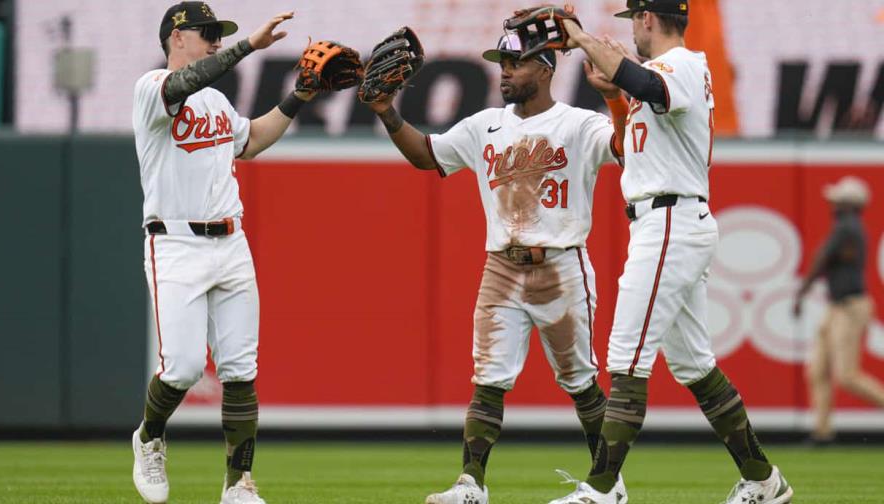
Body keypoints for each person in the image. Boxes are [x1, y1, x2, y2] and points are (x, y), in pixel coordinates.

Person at [364, 27, 630, 504]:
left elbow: (626, 147)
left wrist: (614, 100)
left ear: (545, 69)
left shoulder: (576, 123)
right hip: (501, 267)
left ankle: (609, 484)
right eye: (502, 63)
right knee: (488, 378)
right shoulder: (485, 123)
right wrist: (387, 112)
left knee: (581, 382)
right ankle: (471, 485)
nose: (505, 71)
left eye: (517, 63)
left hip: (561, 264)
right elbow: (428, 156)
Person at [558, 1, 794, 502]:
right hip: (667, 220)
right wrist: (614, 98)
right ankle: (764, 481)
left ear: (647, 18)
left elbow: (647, 85)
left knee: (626, 357)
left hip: (669, 220)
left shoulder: (681, 65)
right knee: (694, 366)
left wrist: (581, 37)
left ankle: (602, 489)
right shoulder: (664, 73)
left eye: (634, 21)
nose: (633, 34)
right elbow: (636, 127)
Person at [130, 3, 322, 503]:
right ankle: (150, 436)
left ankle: (238, 484)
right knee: (184, 368)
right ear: (177, 38)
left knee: (240, 368)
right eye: (207, 33)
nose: (215, 41)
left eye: (221, 35)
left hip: (231, 241)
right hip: (174, 242)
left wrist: (299, 96)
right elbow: (180, 85)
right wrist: (249, 47)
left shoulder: (214, 100)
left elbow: (252, 140)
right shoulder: (151, 90)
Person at [794, 175, 884, 444]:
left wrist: (802, 291)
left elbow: (823, 258)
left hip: (849, 306)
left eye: (838, 200)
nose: (832, 204)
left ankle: (823, 431)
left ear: (849, 203)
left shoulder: (847, 227)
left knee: (847, 375)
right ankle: (822, 432)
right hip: (836, 306)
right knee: (817, 371)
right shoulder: (848, 227)